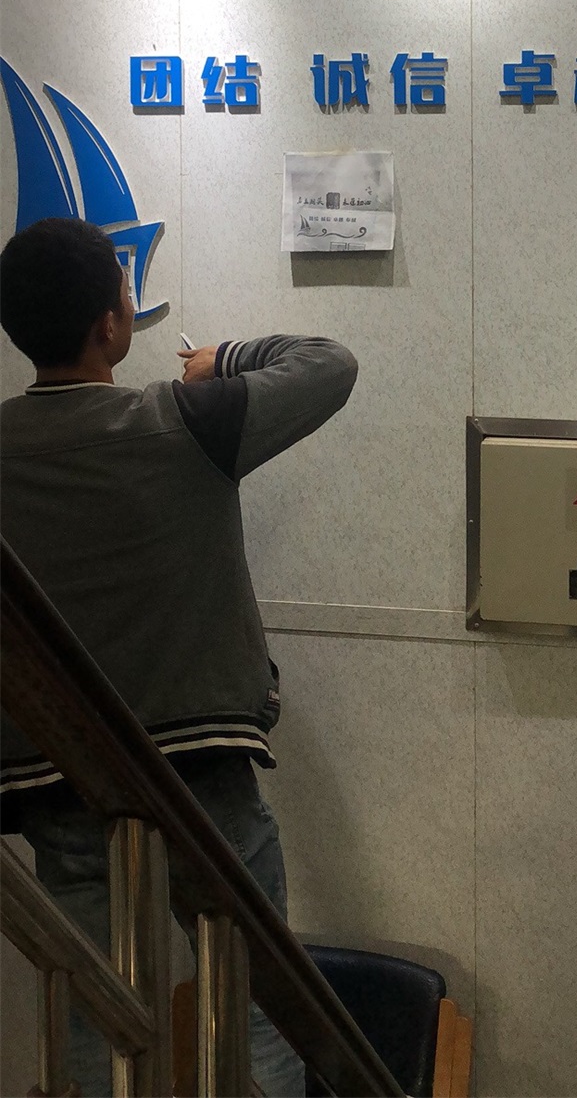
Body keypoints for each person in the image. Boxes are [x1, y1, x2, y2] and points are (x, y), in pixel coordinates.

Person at [0, 217, 359, 1097]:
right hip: (204, 778)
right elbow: (328, 364)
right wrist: (222, 358)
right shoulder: (186, 419)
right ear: (111, 324)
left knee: (93, 1014)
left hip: (58, 782)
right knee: (258, 1010)